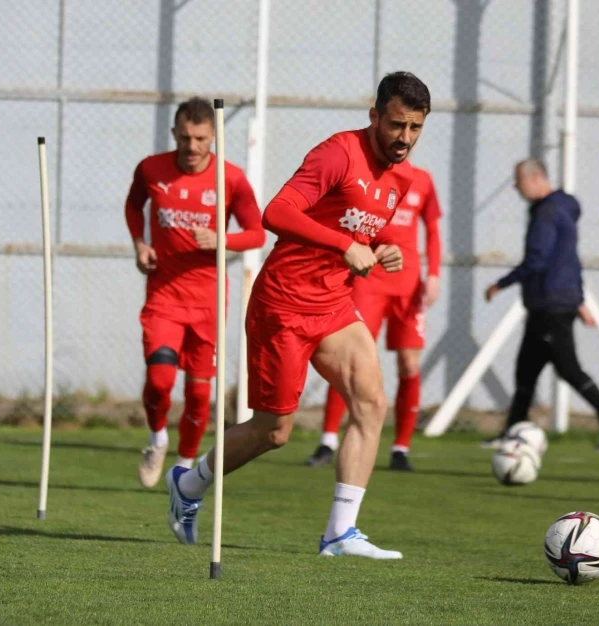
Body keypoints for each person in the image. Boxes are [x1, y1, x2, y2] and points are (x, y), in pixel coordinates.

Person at [165, 72, 431, 559]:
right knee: (274, 431)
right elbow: (277, 213)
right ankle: (189, 483)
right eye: (397, 125)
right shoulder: (338, 153)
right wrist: (345, 245)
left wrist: (383, 248)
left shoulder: (404, 176)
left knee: (371, 404)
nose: (405, 138)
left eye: (415, 128)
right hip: (282, 305)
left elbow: (361, 229)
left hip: (333, 306)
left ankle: (339, 533)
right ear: (374, 115)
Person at [125, 97, 265, 488]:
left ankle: (183, 468)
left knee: (200, 396)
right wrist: (139, 244)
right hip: (164, 296)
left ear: (213, 137)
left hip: (208, 303)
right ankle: (157, 440)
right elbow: (134, 205)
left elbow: (257, 233)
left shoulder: (230, 178)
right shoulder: (152, 169)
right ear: (174, 133)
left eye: (201, 138)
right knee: (160, 381)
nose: (192, 146)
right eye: (185, 137)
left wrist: (222, 239)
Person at [482, 158, 599, 453]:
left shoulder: (547, 212)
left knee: (568, 368)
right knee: (526, 371)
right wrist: (579, 302)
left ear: (535, 178)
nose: (516, 187)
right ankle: (512, 430)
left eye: (519, 181)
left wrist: (501, 283)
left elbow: (537, 260)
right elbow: (569, 260)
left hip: (551, 306)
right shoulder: (561, 208)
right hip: (551, 303)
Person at [307, 165, 442, 472]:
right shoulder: (370, 176)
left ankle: (400, 448)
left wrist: (433, 273)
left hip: (408, 285)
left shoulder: (423, 180)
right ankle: (328, 440)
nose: (402, 142)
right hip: (368, 281)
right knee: (348, 357)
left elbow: (433, 229)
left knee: (410, 364)